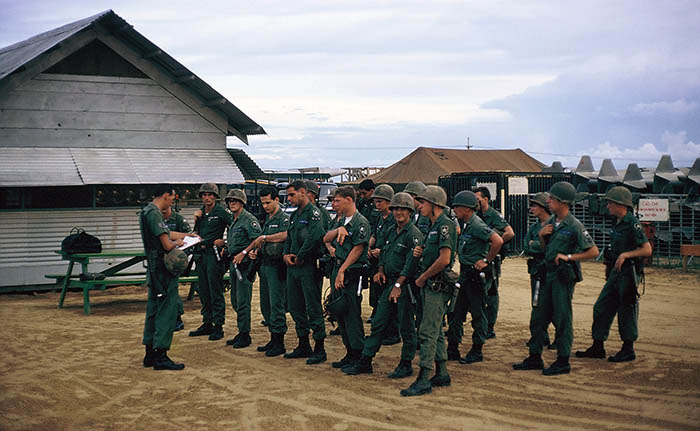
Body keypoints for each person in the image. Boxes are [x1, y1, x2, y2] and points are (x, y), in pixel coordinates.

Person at [513, 181, 599, 376]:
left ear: (563, 202)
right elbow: (545, 250)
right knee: (538, 317)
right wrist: (543, 237)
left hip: (562, 277)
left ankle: (563, 360)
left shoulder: (574, 225)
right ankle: (535, 356)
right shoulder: (552, 222)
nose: (548, 201)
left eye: (552, 199)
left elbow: (593, 251)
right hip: (546, 274)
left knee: (562, 318)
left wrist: (569, 257)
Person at [343, 192, 422, 378]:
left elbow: (411, 264)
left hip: (404, 286)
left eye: (403, 209)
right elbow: (384, 252)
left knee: (406, 327)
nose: (398, 213)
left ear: (410, 211)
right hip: (388, 283)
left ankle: (405, 363)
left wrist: (398, 284)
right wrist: (380, 270)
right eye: (395, 209)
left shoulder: (413, 234)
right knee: (378, 323)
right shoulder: (390, 230)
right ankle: (366, 360)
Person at [576, 186, 651, 363]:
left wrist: (626, 255)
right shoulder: (616, 222)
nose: (607, 206)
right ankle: (597, 346)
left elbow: (647, 249)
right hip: (616, 273)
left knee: (627, 309)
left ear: (621, 204)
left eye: (610, 203)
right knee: (602, 307)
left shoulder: (632, 223)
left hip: (628, 273)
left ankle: (628, 349)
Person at [401, 185, 457, 397]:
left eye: (423, 202)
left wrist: (422, 277)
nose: (419, 206)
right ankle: (441, 372)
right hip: (430, 285)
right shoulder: (433, 225)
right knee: (436, 332)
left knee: (427, 332)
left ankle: (423, 378)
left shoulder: (444, 226)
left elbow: (444, 259)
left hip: (436, 285)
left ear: (434, 204)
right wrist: (421, 251)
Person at [448, 191, 503, 365]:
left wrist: (486, 260)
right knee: (456, 311)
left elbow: (498, 241)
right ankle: (453, 347)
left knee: (478, 313)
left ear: (466, 209)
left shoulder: (477, 225)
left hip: (475, 275)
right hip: (466, 273)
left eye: (457, 207)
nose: (454, 209)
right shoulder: (466, 224)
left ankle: (477, 349)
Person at [141, 184, 191, 370]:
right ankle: (161, 355)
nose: (172, 201)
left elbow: (164, 233)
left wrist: (184, 235)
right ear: (165, 195)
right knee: (166, 311)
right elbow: (166, 244)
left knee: (153, 310)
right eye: (171, 198)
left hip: (154, 269)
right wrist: (178, 242)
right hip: (163, 269)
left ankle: (149, 354)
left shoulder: (146, 211)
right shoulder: (155, 213)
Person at [323, 186, 371, 371]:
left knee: (351, 313)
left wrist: (343, 270)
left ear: (349, 200)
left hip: (352, 272)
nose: (334, 204)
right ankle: (350, 352)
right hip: (339, 268)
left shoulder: (360, 222)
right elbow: (326, 237)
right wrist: (338, 230)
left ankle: (359, 355)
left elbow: (358, 248)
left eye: (337, 200)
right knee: (339, 312)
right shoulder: (340, 220)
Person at [283, 180, 327, 364]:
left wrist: (299, 256)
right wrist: (286, 254)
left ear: (303, 192)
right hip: (293, 268)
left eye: (292, 195)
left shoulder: (314, 214)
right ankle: (303, 343)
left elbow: (313, 238)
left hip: (308, 266)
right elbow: (290, 236)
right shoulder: (295, 216)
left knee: (313, 307)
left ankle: (319, 348)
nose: (289, 198)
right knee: (295, 306)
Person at [247, 186, 290, 357]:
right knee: (266, 305)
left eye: (268, 202)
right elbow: (262, 242)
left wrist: (265, 238)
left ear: (277, 200)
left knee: (276, 304)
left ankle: (279, 341)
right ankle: (273, 338)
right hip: (264, 265)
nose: (265, 206)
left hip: (276, 267)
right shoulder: (268, 219)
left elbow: (287, 234)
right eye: (263, 203)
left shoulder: (283, 219)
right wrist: (256, 251)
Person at [189, 182, 233, 341]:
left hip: (213, 255)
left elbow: (234, 225)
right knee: (203, 291)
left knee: (215, 291)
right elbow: (196, 233)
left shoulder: (221, 211)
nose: (207, 198)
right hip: (200, 255)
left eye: (210, 195)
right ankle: (207, 322)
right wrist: (195, 222)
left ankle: (218, 325)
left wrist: (226, 243)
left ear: (215, 196)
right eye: (204, 195)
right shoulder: (200, 213)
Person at [474, 186, 514, 339]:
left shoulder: (494, 215)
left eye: (478, 199)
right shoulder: (477, 215)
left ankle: (490, 326)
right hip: (479, 259)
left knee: (491, 292)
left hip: (491, 260)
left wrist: (495, 245)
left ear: (486, 199)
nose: (476, 202)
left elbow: (509, 232)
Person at [223, 189, 262, 348]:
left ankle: (245, 334)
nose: (232, 203)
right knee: (235, 300)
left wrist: (244, 253)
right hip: (234, 263)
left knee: (243, 301)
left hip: (245, 265)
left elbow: (257, 240)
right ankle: (241, 331)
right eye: (230, 201)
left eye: (236, 201)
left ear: (242, 203)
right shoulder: (235, 220)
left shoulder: (248, 219)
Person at [366, 184, 401, 346]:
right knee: (378, 297)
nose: (377, 204)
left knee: (389, 300)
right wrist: (369, 246)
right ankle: (384, 330)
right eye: (376, 201)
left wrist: (381, 250)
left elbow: (394, 241)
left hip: (389, 262)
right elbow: (375, 234)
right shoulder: (381, 217)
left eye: (380, 201)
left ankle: (393, 332)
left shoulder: (395, 218)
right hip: (378, 263)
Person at [523, 193, 556, 349]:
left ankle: (559, 339)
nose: (531, 208)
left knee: (555, 306)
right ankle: (540, 337)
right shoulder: (534, 227)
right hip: (536, 271)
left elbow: (552, 248)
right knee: (537, 304)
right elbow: (526, 247)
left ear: (543, 207)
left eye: (534, 205)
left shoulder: (554, 225)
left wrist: (535, 244)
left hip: (550, 271)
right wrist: (537, 245)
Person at [161, 206, 191, 332]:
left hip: (173, 263)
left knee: (172, 291)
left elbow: (189, 239)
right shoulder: (156, 219)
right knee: (162, 291)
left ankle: (177, 319)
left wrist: (179, 258)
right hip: (160, 261)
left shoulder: (178, 219)